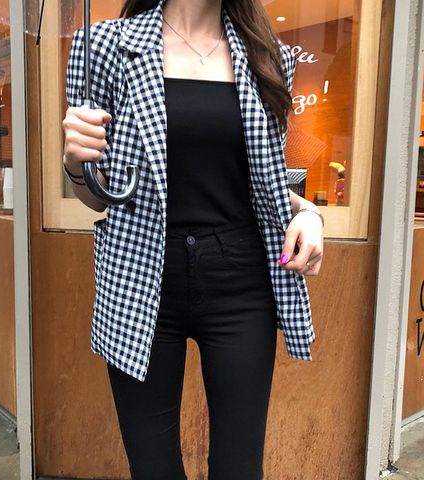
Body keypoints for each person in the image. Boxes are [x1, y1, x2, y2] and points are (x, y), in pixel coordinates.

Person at [62, 0, 324, 478]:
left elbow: (264, 183)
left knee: (239, 469)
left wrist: (308, 213)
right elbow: (97, 199)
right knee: (153, 469)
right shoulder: (104, 47)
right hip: (139, 277)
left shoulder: (268, 56)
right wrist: (76, 164)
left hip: (240, 281)